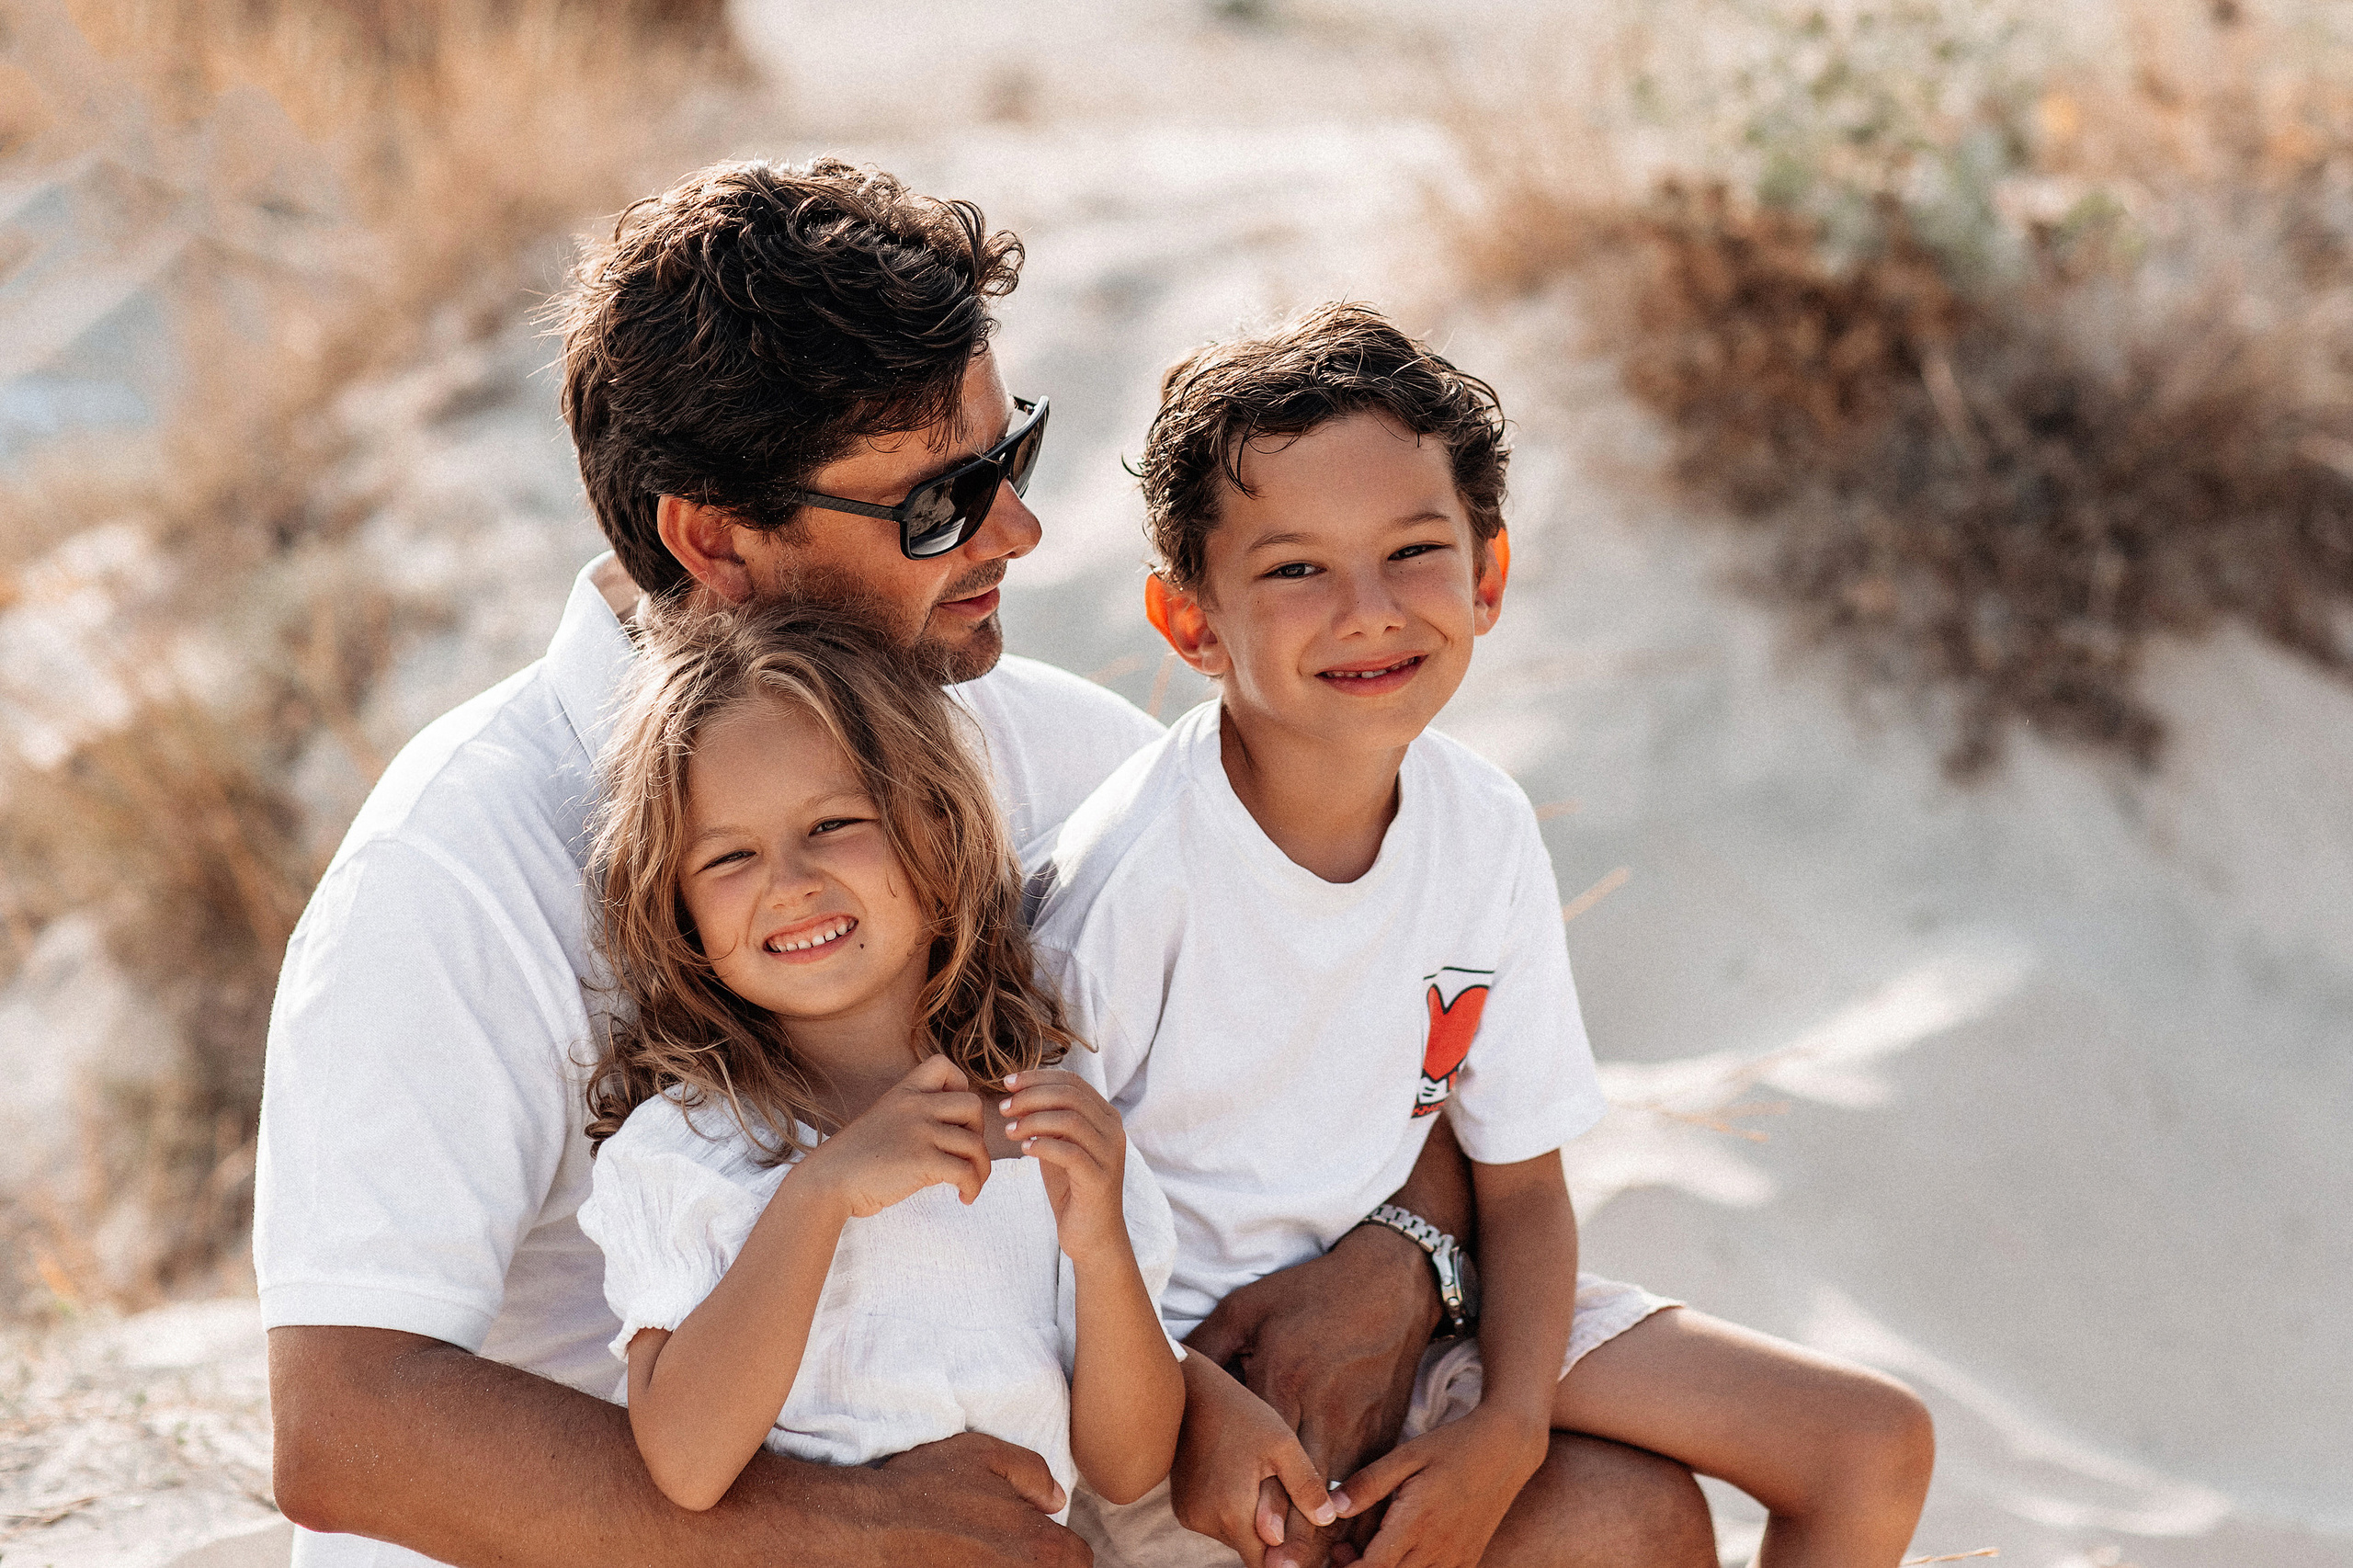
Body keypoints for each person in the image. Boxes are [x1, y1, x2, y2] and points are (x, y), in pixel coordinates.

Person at [256, 157, 1712, 1567]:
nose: (1016, 527)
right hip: (659, 1537)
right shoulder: (454, 873)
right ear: (712, 541)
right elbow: (345, 1423)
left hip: (1077, 1504)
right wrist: (835, 1538)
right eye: (939, 504)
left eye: (1007, 457)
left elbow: (1416, 1044)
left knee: (1620, 1521)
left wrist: (1401, 1253)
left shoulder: (1056, 761)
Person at [1032, 302, 1939, 1568]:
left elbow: (1519, 1185)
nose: (1368, 610)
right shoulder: (1132, 883)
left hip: (1441, 1333)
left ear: (1489, 576)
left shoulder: (1483, 825)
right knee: (1635, 1520)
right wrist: (1195, 1401)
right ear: (1190, 623)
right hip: (1188, 1399)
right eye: (1295, 569)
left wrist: (1509, 1422)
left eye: (1415, 551)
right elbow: (1037, 1246)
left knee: (1871, 1442)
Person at [574, 604, 1183, 1518]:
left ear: (934, 829)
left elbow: (1127, 1466)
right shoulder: (689, 1151)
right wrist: (821, 1193)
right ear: (680, 913)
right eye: (730, 855)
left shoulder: (1047, 1133)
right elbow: (687, 1460)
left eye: (833, 823)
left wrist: (1100, 1245)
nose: (790, 881)